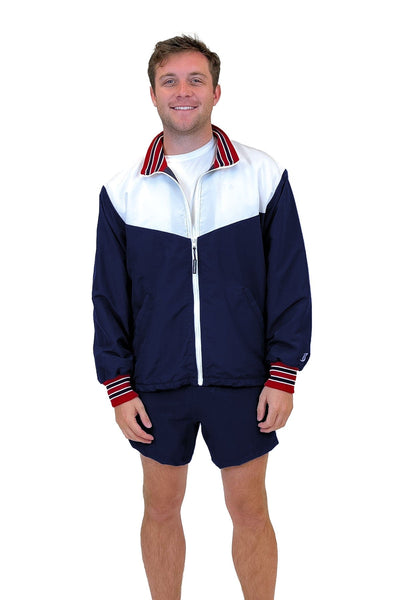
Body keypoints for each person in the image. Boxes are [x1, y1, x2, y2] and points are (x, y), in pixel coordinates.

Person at [92, 34, 311, 600]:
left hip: (243, 378)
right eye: (170, 81)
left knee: (250, 510)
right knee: (160, 509)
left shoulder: (262, 175)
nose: (183, 91)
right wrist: (118, 386)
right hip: (156, 381)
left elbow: (290, 282)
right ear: (152, 93)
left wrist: (283, 373)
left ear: (216, 91)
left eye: (195, 80)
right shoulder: (122, 191)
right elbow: (108, 298)